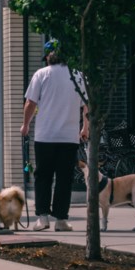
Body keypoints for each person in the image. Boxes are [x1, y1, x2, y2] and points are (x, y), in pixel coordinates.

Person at [20, 38, 89, 231]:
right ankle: (61, 220)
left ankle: (42, 218)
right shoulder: (78, 76)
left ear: (49, 56)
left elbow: (30, 103)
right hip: (69, 137)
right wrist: (85, 128)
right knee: (64, 179)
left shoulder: (41, 74)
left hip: (45, 136)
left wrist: (25, 125)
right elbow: (87, 106)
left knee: (43, 176)